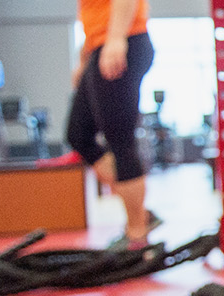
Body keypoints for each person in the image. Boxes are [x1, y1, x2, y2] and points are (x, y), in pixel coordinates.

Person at [65, 0, 157, 250]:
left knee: (120, 141)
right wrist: (84, 61)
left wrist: (116, 39)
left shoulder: (118, 38)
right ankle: (140, 214)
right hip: (100, 44)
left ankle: (137, 232)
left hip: (123, 38)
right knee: (78, 135)